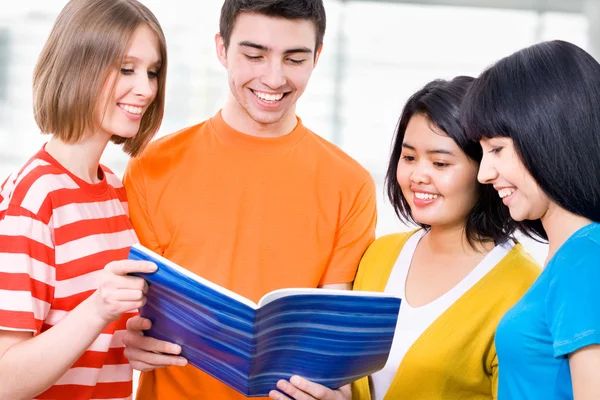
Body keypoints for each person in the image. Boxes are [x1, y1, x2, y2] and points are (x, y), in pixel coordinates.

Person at [121, 0, 377, 399]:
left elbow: (329, 349)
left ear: (318, 57)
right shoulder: (151, 166)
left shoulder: (350, 184)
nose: (273, 79)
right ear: (221, 49)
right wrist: (128, 340)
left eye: (294, 59)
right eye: (254, 55)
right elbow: (129, 312)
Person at [272, 76, 541, 400]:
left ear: (485, 169)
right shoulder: (377, 255)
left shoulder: (523, 288)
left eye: (440, 162)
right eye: (409, 157)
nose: (417, 176)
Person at [0, 0, 167, 398]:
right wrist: (97, 309)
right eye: (127, 69)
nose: (145, 89)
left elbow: (92, 339)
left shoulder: (113, 189)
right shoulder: (31, 201)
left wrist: (132, 341)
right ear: (79, 66)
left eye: (152, 72)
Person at [461, 40, 600, 400]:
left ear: (549, 136)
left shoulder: (586, 258)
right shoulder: (572, 256)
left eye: (497, 149)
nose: (484, 174)